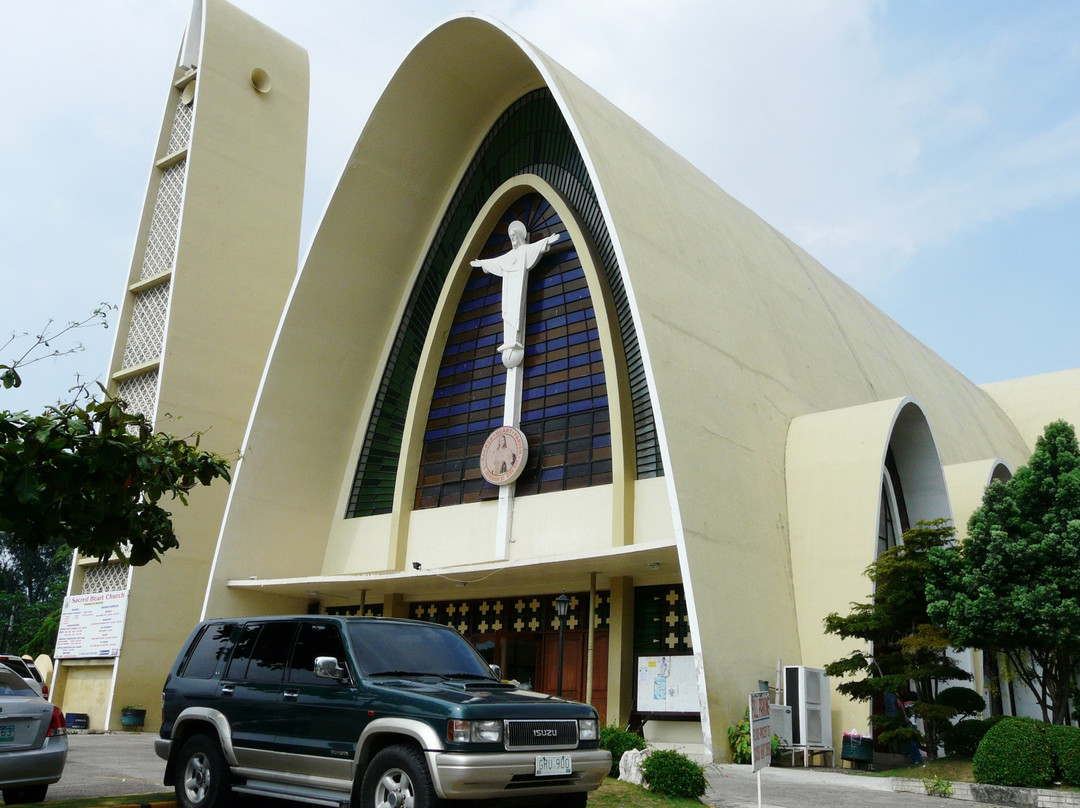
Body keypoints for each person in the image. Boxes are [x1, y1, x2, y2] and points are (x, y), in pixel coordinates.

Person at [471, 221, 560, 367]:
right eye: (510, 237)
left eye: (514, 236)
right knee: (507, 313)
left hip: (518, 288)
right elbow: (497, 262)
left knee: (516, 311)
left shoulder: (525, 251)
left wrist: (546, 242)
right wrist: (483, 264)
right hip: (508, 292)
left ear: (519, 236)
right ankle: (509, 342)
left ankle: (514, 342)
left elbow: (535, 248)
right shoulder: (508, 256)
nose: (512, 239)